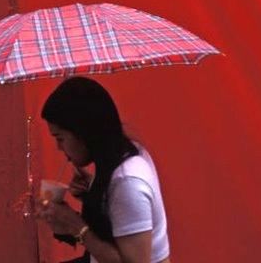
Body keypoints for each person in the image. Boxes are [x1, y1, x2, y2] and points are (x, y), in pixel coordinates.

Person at [36, 76, 171, 263]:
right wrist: (93, 192)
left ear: (83, 131)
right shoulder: (121, 154)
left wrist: (76, 226)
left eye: (60, 138)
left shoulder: (128, 182)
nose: (59, 147)